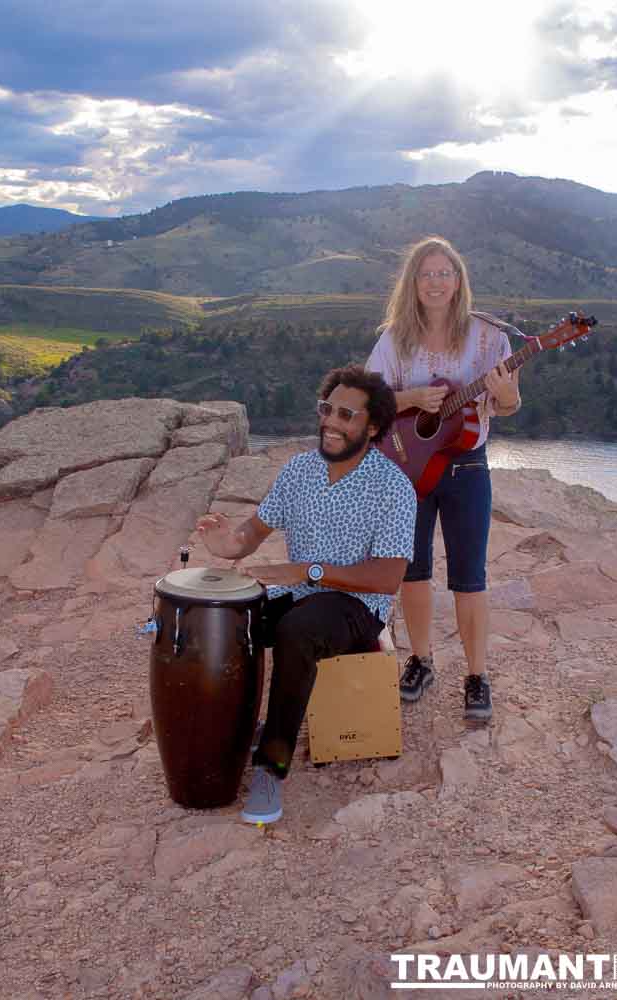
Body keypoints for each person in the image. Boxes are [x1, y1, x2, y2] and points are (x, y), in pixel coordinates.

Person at [197, 364, 417, 825]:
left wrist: (308, 570)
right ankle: (237, 730)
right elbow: (253, 532)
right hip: (300, 594)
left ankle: (271, 766)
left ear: (372, 426)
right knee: (231, 619)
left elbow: (388, 578)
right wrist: (227, 545)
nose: (331, 423)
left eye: (347, 415)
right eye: (327, 409)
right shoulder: (299, 470)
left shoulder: (394, 487)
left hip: (358, 607)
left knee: (299, 631)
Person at [366, 236, 521, 720]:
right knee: (412, 572)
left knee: (470, 577)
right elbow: (367, 399)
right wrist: (411, 400)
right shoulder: (394, 338)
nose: (435, 283)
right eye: (426, 274)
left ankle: (477, 677)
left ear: (459, 281)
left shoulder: (489, 337)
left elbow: (508, 408)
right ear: (412, 283)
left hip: (467, 468)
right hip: (407, 467)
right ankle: (421, 660)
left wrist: (508, 393)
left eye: (444, 273)